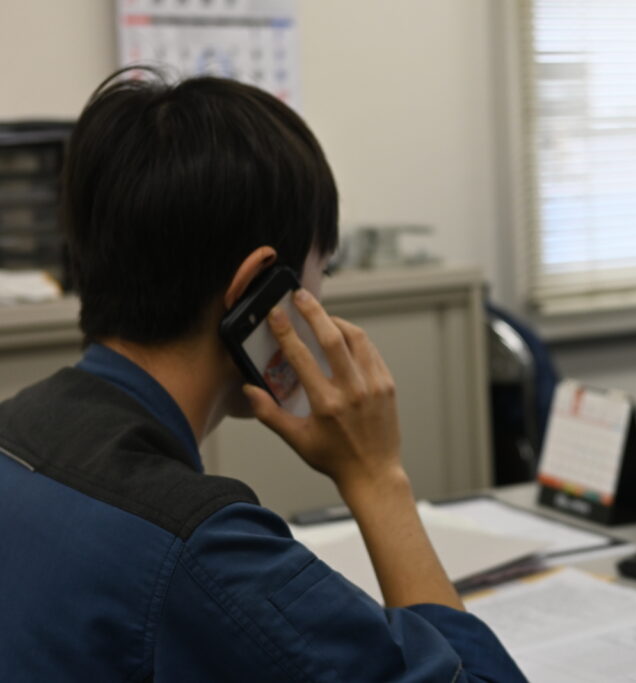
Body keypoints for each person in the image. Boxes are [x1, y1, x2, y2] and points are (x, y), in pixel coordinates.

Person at [0, 68, 525, 682]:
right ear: (259, 289)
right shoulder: (204, 550)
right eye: (322, 268)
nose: (323, 298)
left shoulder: (15, 428)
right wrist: (378, 478)